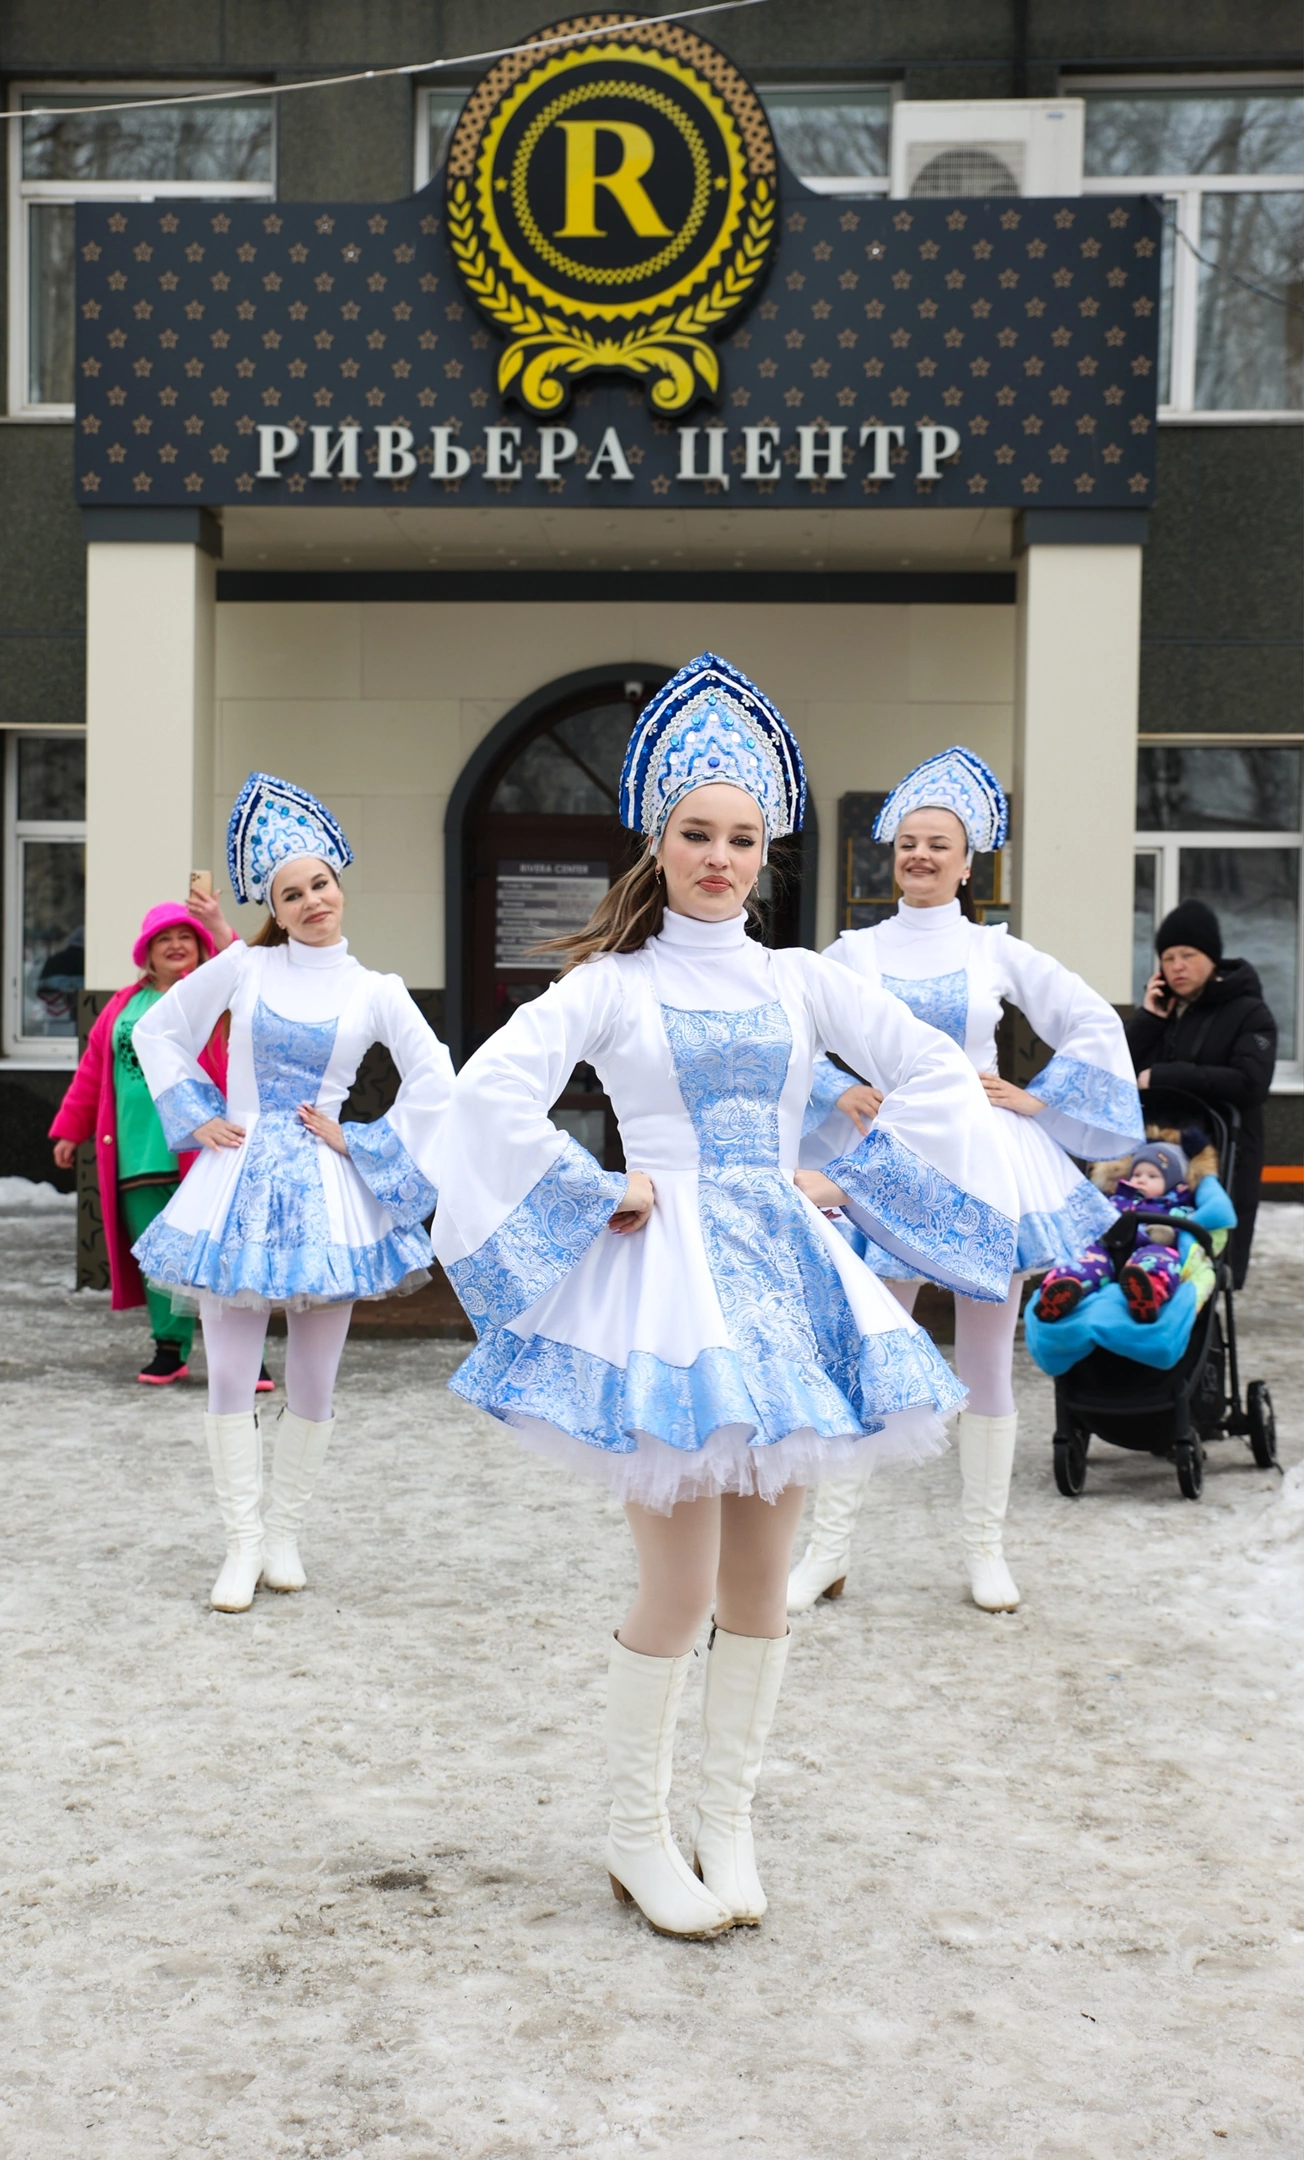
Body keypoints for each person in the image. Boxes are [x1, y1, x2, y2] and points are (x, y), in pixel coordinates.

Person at [432, 656, 1018, 1941]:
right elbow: (484, 1094)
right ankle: (635, 1834)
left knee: (760, 1585)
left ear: (768, 853)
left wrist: (849, 1176)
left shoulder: (801, 980)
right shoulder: (612, 985)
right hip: (668, 1302)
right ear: (659, 840)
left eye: (743, 838)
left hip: (787, 1291)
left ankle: (727, 1821)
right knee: (679, 1589)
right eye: (698, 833)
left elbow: (935, 1073)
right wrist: (598, 1189)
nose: (720, 857)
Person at [790, 747, 1144, 1616]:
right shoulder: (852, 952)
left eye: (937, 845)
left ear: (967, 861)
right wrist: (839, 1090)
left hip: (986, 1164)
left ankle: (985, 1552)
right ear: (891, 854)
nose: (919, 856)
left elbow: (1089, 1018)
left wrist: (1039, 1096)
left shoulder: (994, 949)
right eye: (908, 843)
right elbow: (788, 1031)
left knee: (986, 1361)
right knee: (867, 1350)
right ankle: (827, 1552)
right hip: (887, 1165)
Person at [131, 774, 453, 1613]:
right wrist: (198, 1113)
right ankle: (240, 1544)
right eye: (293, 893)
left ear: (340, 885)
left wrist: (363, 1140)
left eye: (321, 884)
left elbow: (436, 1077)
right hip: (233, 1188)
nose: (313, 902)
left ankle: (284, 1535)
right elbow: (157, 1029)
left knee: (314, 1382)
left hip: (327, 1197)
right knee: (230, 1377)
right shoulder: (244, 965)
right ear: (273, 906)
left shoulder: (375, 989)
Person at [49, 902, 248, 1387]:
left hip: (208, 1152)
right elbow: (93, 1072)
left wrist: (221, 926)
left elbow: (249, 966)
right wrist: (70, 1129)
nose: (176, 945)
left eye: (186, 936)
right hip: (138, 1156)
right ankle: (169, 1349)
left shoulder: (221, 994)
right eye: (164, 939)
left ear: (202, 946)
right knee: (160, 1260)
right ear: (147, 953)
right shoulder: (122, 1007)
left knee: (223, 1255)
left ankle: (246, 1356)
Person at [1125, 899, 1276, 1287]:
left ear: (1212, 958)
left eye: (1188, 955)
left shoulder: (1250, 1013)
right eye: (1168, 957)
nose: (1177, 966)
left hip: (1221, 1159)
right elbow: (1116, 1069)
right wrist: (1148, 1020)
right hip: (1152, 1159)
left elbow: (1251, 1082)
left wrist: (1165, 1076)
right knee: (1139, 1256)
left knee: (1205, 1267)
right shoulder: (1163, 1012)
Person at [1036, 1141, 1197, 1324]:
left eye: (1152, 1176)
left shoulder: (1175, 1207)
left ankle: (1148, 1290)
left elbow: (1184, 1227)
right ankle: (1061, 1288)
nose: (1141, 1180)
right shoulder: (1117, 1199)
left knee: (1161, 1259)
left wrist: (1168, 1233)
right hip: (1108, 1249)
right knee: (1085, 1259)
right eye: (1137, 1174)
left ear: (1172, 1183)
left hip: (1148, 1248)